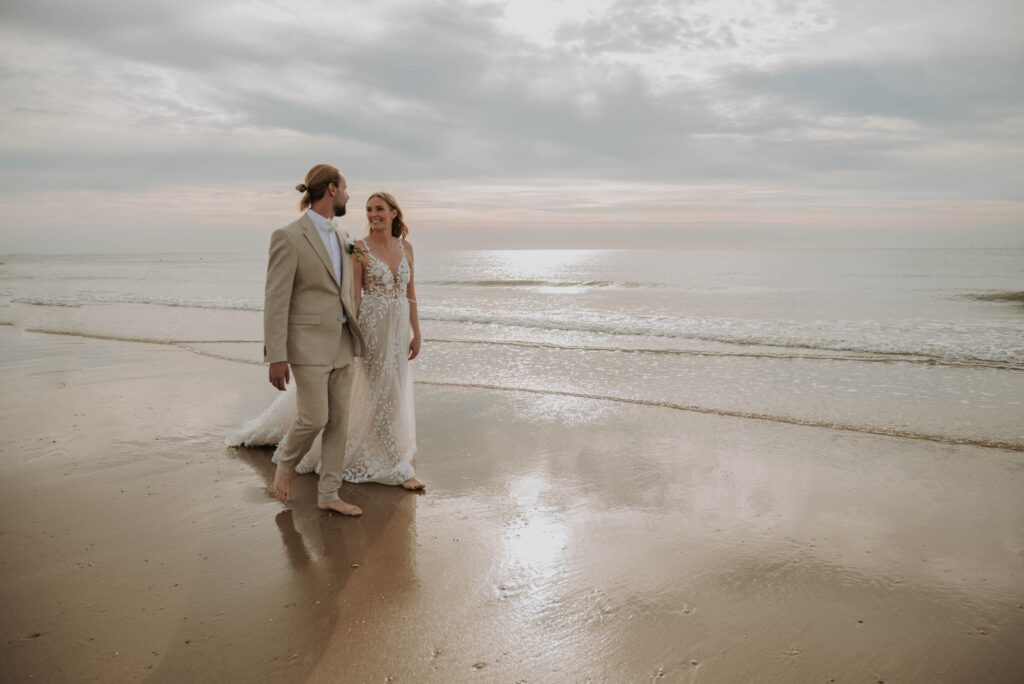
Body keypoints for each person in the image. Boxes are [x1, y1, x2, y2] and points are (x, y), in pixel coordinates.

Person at [228, 190, 425, 493]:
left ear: (394, 213)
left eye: (380, 209)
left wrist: (417, 332)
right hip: (371, 329)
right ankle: (398, 466)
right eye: (370, 210)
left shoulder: (407, 247)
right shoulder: (359, 248)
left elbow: (410, 294)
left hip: (398, 330)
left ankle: (392, 456)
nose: (374, 215)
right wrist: (349, 334)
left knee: (394, 390)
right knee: (385, 395)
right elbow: (354, 296)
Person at [257, 163, 365, 517]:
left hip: (343, 344)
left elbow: (345, 291)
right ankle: (285, 464)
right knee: (314, 417)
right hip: (307, 346)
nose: (349, 195)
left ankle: (329, 493)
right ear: (331, 189)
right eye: (346, 189)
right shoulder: (288, 236)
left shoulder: (344, 237)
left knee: (338, 422)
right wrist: (276, 355)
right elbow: (276, 300)